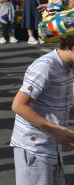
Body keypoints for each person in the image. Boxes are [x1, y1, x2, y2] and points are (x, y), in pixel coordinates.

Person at [11, 37, 74, 185]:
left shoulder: (69, 66)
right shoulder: (45, 67)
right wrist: (55, 130)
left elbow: (58, 104)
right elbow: (18, 105)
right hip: (34, 148)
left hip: (52, 146)